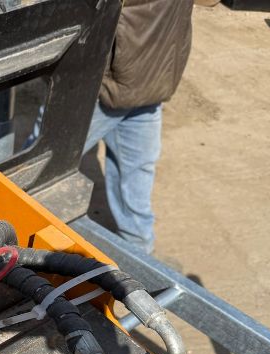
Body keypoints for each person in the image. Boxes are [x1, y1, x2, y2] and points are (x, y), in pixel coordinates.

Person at [83, 0, 195, 254]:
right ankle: (6, 241)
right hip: (104, 81)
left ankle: (139, 256)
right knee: (41, 171)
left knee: (137, 173)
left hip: (151, 75)